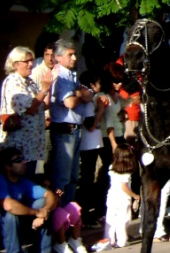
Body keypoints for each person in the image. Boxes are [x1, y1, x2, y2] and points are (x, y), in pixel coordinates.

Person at [49, 39, 92, 206]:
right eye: (70, 55)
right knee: (62, 176)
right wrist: (80, 95)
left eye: (75, 54)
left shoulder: (71, 74)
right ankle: (59, 217)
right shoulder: (59, 76)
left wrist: (80, 94)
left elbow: (90, 95)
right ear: (58, 57)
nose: (74, 58)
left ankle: (69, 214)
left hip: (76, 129)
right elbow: (70, 103)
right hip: (64, 130)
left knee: (74, 176)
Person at [0, 46, 51, 177]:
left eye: (31, 60)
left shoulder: (29, 82)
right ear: (15, 64)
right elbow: (30, 109)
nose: (30, 64)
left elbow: (42, 105)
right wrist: (44, 89)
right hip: (19, 146)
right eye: (26, 61)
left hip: (31, 146)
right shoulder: (13, 81)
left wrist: (49, 87)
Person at [0, 147, 57, 253]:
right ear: (7, 166)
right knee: (9, 215)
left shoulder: (23, 181)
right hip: (2, 229)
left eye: (23, 159)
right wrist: (37, 212)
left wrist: (45, 211)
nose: (24, 162)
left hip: (20, 225)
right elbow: (8, 205)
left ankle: (45, 251)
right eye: (18, 160)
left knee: (42, 202)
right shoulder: (0, 180)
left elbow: (49, 194)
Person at [91, 144, 140, 251]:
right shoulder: (126, 172)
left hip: (112, 197)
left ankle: (109, 239)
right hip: (123, 199)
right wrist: (135, 195)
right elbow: (124, 187)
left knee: (111, 220)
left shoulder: (112, 168)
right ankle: (122, 241)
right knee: (123, 220)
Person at [77, 70, 104, 225]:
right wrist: (100, 110)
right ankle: (85, 214)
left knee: (90, 177)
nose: (101, 85)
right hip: (88, 145)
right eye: (98, 82)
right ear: (92, 85)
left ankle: (88, 212)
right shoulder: (89, 101)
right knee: (87, 180)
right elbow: (91, 125)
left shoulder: (93, 98)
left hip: (94, 144)